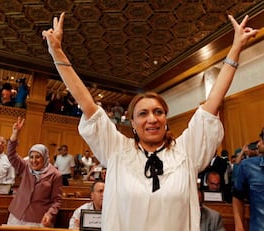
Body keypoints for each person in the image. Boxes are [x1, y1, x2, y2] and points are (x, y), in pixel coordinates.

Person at [42, 12, 257, 230]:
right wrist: (57, 52)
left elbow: (213, 102)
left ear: (165, 119)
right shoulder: (117, 151)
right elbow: (88, 104)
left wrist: (235, 48)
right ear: (133, 124)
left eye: (158, 112)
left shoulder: (186, 151)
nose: (152, 119)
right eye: (143, 114)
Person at [6, 117, 62, 227]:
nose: (33, 160)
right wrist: (15, 135)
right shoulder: (25, 167)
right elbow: (11, 155)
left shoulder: (56, 175)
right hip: (17, 214)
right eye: (31, 157)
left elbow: (56, 200)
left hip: (38, 219)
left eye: (38, 157)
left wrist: (50, 214)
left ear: (45, 158)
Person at [232, 128, 264, 231]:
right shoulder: (247, 166)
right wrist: (239, 226)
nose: (258, 144)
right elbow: (237, 197)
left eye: (262, 140)